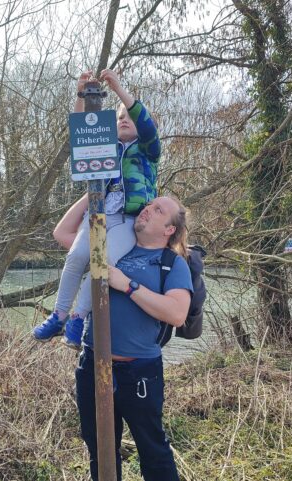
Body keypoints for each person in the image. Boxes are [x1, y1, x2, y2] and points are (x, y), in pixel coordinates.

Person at [33, 68, 161, 349]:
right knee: (77, 256)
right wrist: (81, 93)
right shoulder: (106, 147)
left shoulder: (148, 150)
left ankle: (79, 318)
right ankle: (59, 315)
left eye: (129, 116)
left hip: (127, 219)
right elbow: (82, 129)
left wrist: (118, 90)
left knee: (102, 264)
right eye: (119, 118)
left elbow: (145, 123)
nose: (124, 119)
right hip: (99, 213)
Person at [76, 196, 192, 481]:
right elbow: (63, 235)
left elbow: (177, 313)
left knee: (152, 449)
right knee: (99, 448)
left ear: (169, 230)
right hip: (93, 366)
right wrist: (93, 189)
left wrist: (126, 285)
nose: (147, 210)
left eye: (158, 210)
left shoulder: (171, 264)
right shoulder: (113, 248)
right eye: (149, 205)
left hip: (139, 372)